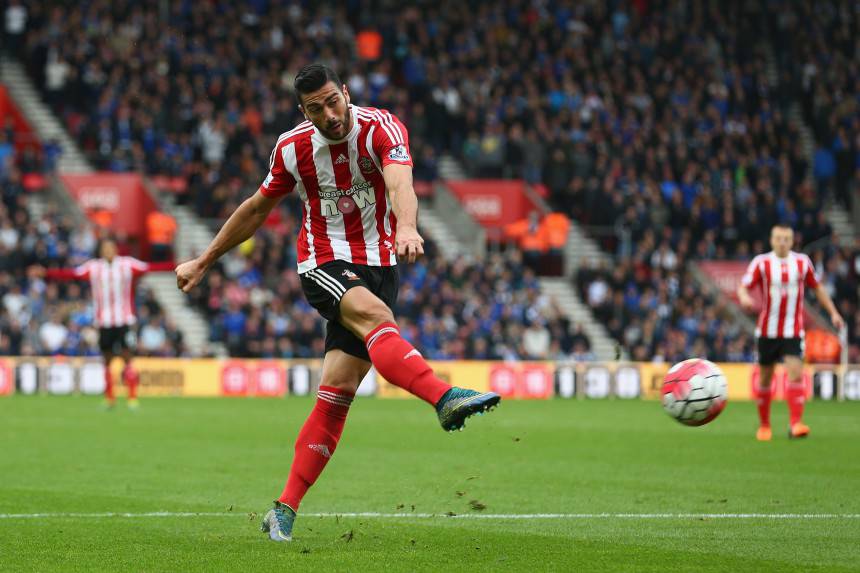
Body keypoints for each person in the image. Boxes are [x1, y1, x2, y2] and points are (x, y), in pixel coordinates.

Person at [175, 64, 501, 542]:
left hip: (380, 265)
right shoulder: (293, 148)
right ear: (302, 112)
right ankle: (444, 397)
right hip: (323, 262)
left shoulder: (381, 127)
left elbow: (399, 182)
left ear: (346, 93)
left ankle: (283, 508)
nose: (328, 114)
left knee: (338, 391)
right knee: (377, 319)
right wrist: (204, 260)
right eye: (315, 108)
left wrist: (407, 226)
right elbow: (256, 208)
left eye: (332, 101)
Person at [36, 238, 174, 409]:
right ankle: (110, 398)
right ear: (101, 251)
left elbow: (153, 268)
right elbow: (70, 274)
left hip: (124, 320)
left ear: (116, 249)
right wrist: (47, 273)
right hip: (104, 322)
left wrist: (180, 266)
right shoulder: (94, 267)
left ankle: (132, 398)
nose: (108, 251)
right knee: (107, 360)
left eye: (111, 248)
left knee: (127, 359)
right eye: (105, 248)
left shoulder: (127, 265)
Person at [737, 224, 844, 441]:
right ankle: (765, 426)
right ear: (771, 240)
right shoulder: (761, 262)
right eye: (778, 238)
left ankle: (796, 424)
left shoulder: (802, 262)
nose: (782, 242)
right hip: (767, 330)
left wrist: (833, 312)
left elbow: (818, 288)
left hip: (793, 330)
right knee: (765, 378)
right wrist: (744, 298)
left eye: (786, 238)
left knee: (795, 372)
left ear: (792, 240)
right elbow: (743, 286)